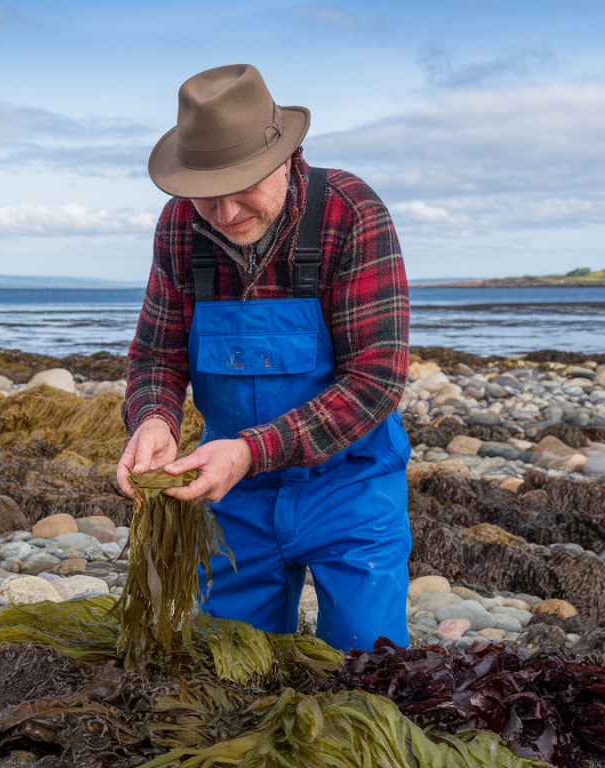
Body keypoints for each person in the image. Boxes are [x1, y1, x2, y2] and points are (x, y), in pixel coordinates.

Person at [116, 63, 411, 652]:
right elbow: (157, 356)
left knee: (369, 666)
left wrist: (252, 451)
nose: (224, 214)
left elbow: (375, 381)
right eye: (206, 195)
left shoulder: (348, 214)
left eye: (242, 186)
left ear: (284, 157)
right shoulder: (180, 227)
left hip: (348, 490)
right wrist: (155, 418)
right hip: (232, 498)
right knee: (231, 672)